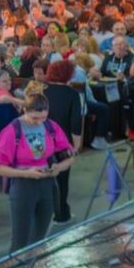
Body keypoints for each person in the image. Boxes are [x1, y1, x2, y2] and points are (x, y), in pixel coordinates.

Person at [0, 92, 75, 252]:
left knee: (40, 237)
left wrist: (58, 167)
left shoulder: (51, 127)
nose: (39, 122)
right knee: (20, 239)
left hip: (47, 183)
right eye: (34, 118)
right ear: (24, 111)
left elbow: (69, 155)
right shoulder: (11, 132)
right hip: (23, 186)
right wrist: (27, 173)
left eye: (43, 117)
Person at [41, 61, 82, 224]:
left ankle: (42, 213)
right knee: (61, 179)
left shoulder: (42, 91)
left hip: (40, 139)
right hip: (62, 142)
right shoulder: (72, 94)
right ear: (69, 74)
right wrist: (76, 145)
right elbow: (76, 122)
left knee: (41, 176)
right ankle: (61, 214)